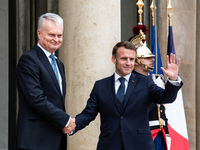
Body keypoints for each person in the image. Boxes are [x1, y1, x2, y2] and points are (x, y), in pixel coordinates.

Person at [64, 41, 183, 150]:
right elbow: (88, 113)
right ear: (114, 59)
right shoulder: (100, 86)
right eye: (124, 59)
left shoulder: (145, 82)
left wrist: (172, 80)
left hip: (140, 146)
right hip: (109, 145)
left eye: (131, 59)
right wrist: (73, 124)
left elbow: (166, 98)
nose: (128, 63)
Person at [15, 13, 75, 150]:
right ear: (39, 33)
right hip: (35, 141)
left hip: (55, 139)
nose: (56, 39)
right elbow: (36, 99)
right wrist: (66, 120)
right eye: (51, 35)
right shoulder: (29, 60)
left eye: (59, 36)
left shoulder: (59, 64)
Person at [131, 33, 170, 150]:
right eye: (147, 58)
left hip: (159, 133)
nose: (152, 60)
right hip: (143, 136)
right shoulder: (132, 82)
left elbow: (165, 100)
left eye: (151, 57)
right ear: (136, 61)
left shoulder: (150, 80)